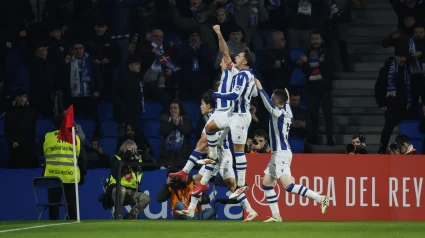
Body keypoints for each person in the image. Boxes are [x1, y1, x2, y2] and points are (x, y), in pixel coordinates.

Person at [173, 90, 258, 222]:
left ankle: (191, 208)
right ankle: (250, 210)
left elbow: (208, 142)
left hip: (222, 156)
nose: (200, 106)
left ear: (209, 106)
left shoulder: (216, 118)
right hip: (218, 154)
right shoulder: (211, 118)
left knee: (208, 181)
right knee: (221, 183)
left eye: (202, 104)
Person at [168, 25, 239, 181]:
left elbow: (225, 52)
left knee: (205, 135)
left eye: (224, 61)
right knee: (224, 181)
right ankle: (192, 171)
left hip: (226, 114)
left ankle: (196, 165)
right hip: (222, 115)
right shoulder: (224, 77)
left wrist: (219, 33)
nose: (221, 61)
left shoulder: (232, 71)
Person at [254, 79, 329, 222]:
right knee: (267, 183)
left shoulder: (278, 113)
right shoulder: (287, 113)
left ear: (276, 102)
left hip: (281, 153)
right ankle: (276, 216)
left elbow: (269, 106)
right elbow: (286, 107)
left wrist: (260, 89)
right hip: (278, 153)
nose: (270, 99)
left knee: (288, 186)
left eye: (272, 98)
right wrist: (287, 100)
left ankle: (320, 198)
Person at [205, 25, 258, 199]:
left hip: (240, 117)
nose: (237, 57)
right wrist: (220, 34)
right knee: (210, 128)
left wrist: (217, 93)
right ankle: (212, 155)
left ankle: (242, 185)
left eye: (241, 55)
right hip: (231, 115)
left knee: (238, 151)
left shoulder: (243, 75)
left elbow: (235, 95)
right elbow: (225, 51)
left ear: (245, 61)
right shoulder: (239, 73)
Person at [38, 115, 87, 220]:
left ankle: (53, 228)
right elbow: (82, 159)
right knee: (72, 207)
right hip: (70, 176)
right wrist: (82, 174)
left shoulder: (47, 137)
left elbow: (37, 151)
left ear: (53, 125)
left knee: (54, 205)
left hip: (52, 176)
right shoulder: (74, 137)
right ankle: (73, 227)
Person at [106, 140, 150, 219]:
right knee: (122, 190)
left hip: (131, 192)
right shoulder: (116, 158)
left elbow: (153, 165)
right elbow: (116, 174)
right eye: (128, 151)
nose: (131, 153)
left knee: (146, 198)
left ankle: (130, 217)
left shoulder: (137, 161)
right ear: (123, 150)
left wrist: (146, 155)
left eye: (132, 150)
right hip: (116, 191)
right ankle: (118, 216)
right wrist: (124, 159)